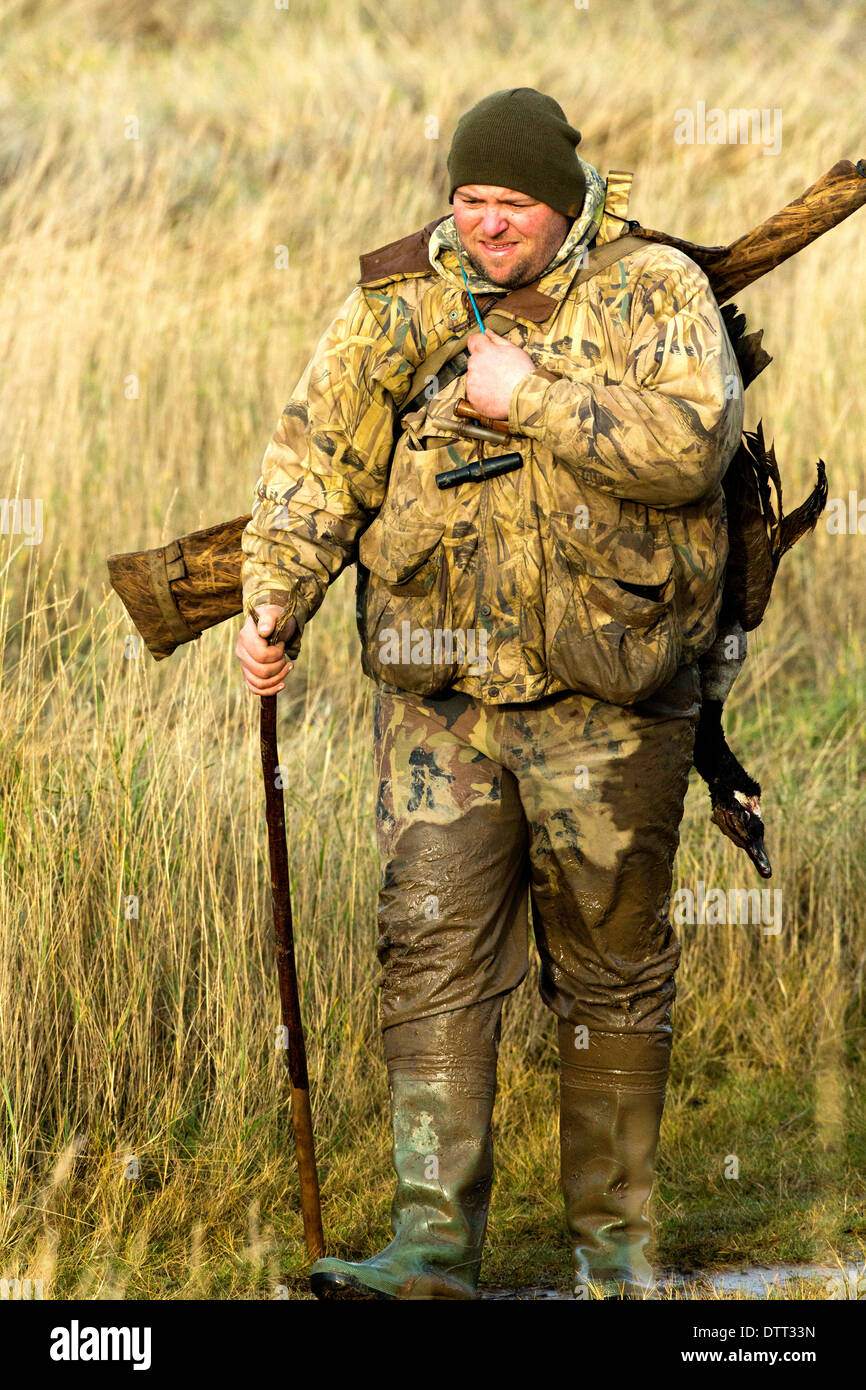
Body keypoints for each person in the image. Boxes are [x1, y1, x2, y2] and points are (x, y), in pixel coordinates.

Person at [235, 87, 745, 1300]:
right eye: (468, 199)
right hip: (439, 697)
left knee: (611, 974)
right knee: (427, 951)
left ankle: (614, 1259)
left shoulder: (650, 288)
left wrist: (533, 402)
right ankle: (428, 1250)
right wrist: (274, 599)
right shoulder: (398, 298)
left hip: (608, 698)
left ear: (560, 203)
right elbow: (317, 463)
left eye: (509, 202)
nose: (485, 222)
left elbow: (694, 445)